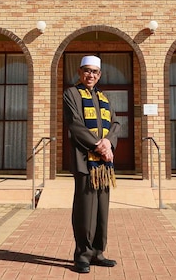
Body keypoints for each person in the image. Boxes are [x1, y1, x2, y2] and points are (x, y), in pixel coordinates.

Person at [63, 55, 120, 274]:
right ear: (80, 72)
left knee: (102, 210)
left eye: (95, 72)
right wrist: (99, 146)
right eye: (87, 71)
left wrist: (109, 142)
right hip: (85, 161)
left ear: (100, 75)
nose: (91, 75)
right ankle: (82, 255)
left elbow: (115, 123)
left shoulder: (104, 97)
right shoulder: (71, 94)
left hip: (104, 165)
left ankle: (98, 252)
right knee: (85, 210)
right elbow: (75, 124)